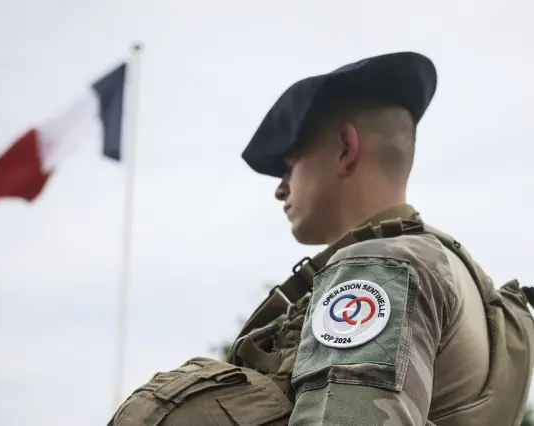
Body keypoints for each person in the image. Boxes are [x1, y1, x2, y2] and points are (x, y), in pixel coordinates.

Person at [107, 52, 534, 426]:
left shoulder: (378, 267)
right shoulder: (447, 266)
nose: (280, 188)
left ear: (346, 149)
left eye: (290, 164)